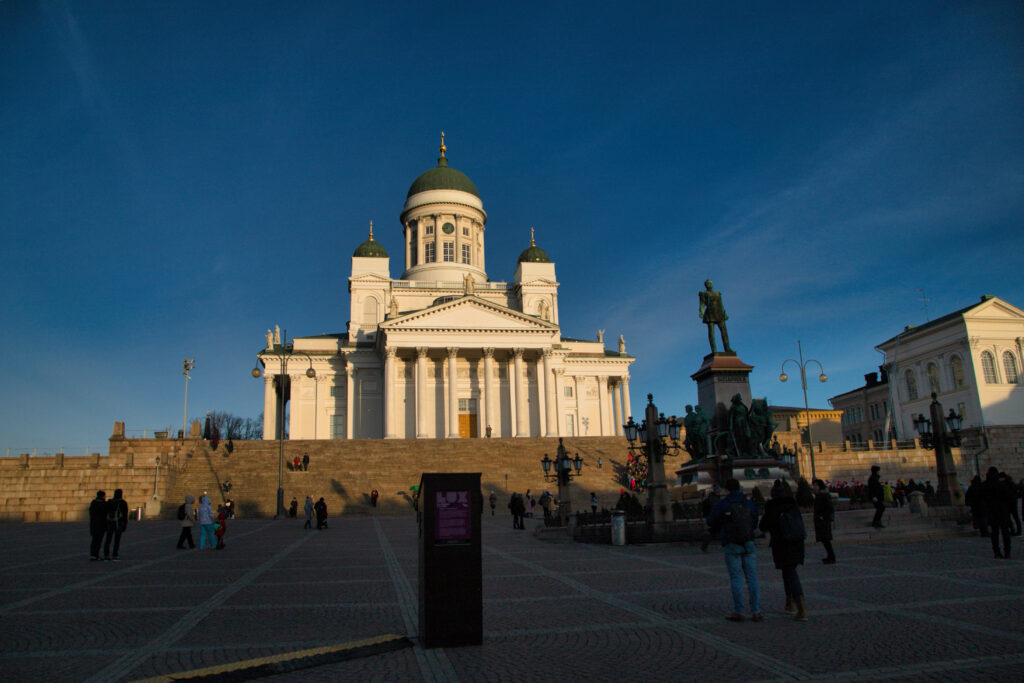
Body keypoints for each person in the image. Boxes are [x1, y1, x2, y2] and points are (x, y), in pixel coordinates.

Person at [706, 478, 761, 622]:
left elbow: (711, 521)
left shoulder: (723, 503)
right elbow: (755, 521)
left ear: (726, 490)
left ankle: (739, 611)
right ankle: (756, 611)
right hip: (748, 543)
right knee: (752, 578)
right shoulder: (748, 502)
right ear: (740, 487)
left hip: (732, 544)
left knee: (736, 579)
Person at [760, 481, 808, 620]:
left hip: (782, 544)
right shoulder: (793, 505)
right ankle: (789, 603)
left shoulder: (772, 507)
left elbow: (763, 526)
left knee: (791, 575)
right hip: (797, 543)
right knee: (789, 573)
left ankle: (802, 608)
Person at [984, 468, 1013, 558]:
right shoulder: (1001, 485)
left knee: (994, 533)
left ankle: (996, 551)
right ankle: (1007, 552)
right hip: (1003, 512)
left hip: (992, 512)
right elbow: (1009, 497)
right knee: (1005, 533)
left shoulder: (986, 486)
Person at [698, 279, 732, 353]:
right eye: (708, 283)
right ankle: (714, 350)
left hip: (719, 312)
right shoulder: (703, 293)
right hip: (710, 313)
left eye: (710, 283)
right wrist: (701, 312)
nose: (709, 284)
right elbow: (702, 304)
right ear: (705, 285)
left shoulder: (717, 293)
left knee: (724, 332)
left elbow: (721, 304)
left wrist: (724, 313)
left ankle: (727, 348)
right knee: (711, 332)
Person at [812, 479, 836, 564]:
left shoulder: (823, 496)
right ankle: (830, 556)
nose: (814, 487)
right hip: (821, 520)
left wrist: (822, 517)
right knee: (825, 540)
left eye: (815, 485)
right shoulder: (820, 495)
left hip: (823, 521)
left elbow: (829, 508)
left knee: (826, 540)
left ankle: (831, 557)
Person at [103, 488, 128, 561]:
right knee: (117, 540)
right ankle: (115, 555)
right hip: (119, 523)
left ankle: (106, 555)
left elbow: (105, 512)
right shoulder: (123, 502)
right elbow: (125, 515)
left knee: (108, 539)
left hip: (110, 522)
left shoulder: (110, 501)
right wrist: (125, 524)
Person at [88, 490, 107, 561]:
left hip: (93, 524)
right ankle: (96, 555)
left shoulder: (93, 503)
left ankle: (92, 555)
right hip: (101, 525)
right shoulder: (103, 503)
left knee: (94, 541)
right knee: (98, 541)